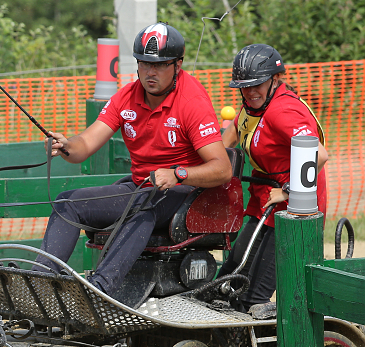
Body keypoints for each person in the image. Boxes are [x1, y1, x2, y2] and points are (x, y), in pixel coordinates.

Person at [38, 22, 232, 298]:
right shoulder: (126, 97)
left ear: (178, 65)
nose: (150, 72)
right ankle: (40, 282)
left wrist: (177, 174)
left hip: (185, 194)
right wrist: (67, 145)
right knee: (67, 203)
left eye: (160, 65)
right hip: (142, 188)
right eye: (144, 64)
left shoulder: (192, 101)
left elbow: (222, 169)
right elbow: (85, 144)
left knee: (143, 207)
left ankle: (100, 292)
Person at [217, 44, 328, 313]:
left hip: (295, 204)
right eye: (244, 86)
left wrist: (289, 192)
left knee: (253, 296)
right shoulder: (251, 106)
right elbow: (233, 133)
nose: (250, 91)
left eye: (257, 84)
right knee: (229, 277)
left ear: (275, 80)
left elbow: (321, 155)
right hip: (265, 198)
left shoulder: (282, 112)